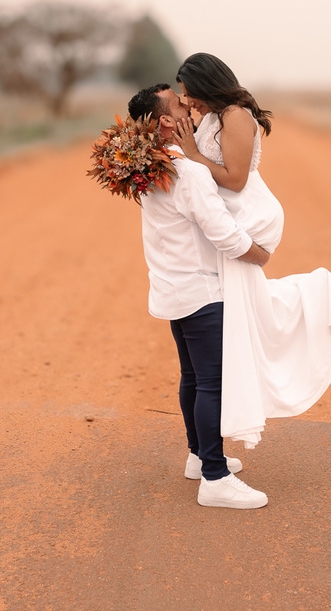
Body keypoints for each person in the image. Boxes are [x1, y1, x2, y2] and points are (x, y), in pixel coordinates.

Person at [173, 53, 331, 448]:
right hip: (228, 215)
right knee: (249, 308)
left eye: (189, 92)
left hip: (250, 213)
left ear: (208, 84)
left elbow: (234, 179)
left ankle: (316, 301)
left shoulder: (236, 116)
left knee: (249, 310)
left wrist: (192, 157)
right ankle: (206, 449)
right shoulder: (211, 116)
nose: (186, 100)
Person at [126, 83, 271, 510]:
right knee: (212, 383)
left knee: (193, 378)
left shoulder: (149, 168)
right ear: (168, 122)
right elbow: (222, 233)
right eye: (179, 104)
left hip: (172, 288)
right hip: (203, 291)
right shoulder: (187, 172)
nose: (189, 105)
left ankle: (198, 455)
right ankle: (214, 477)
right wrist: (259, 255)